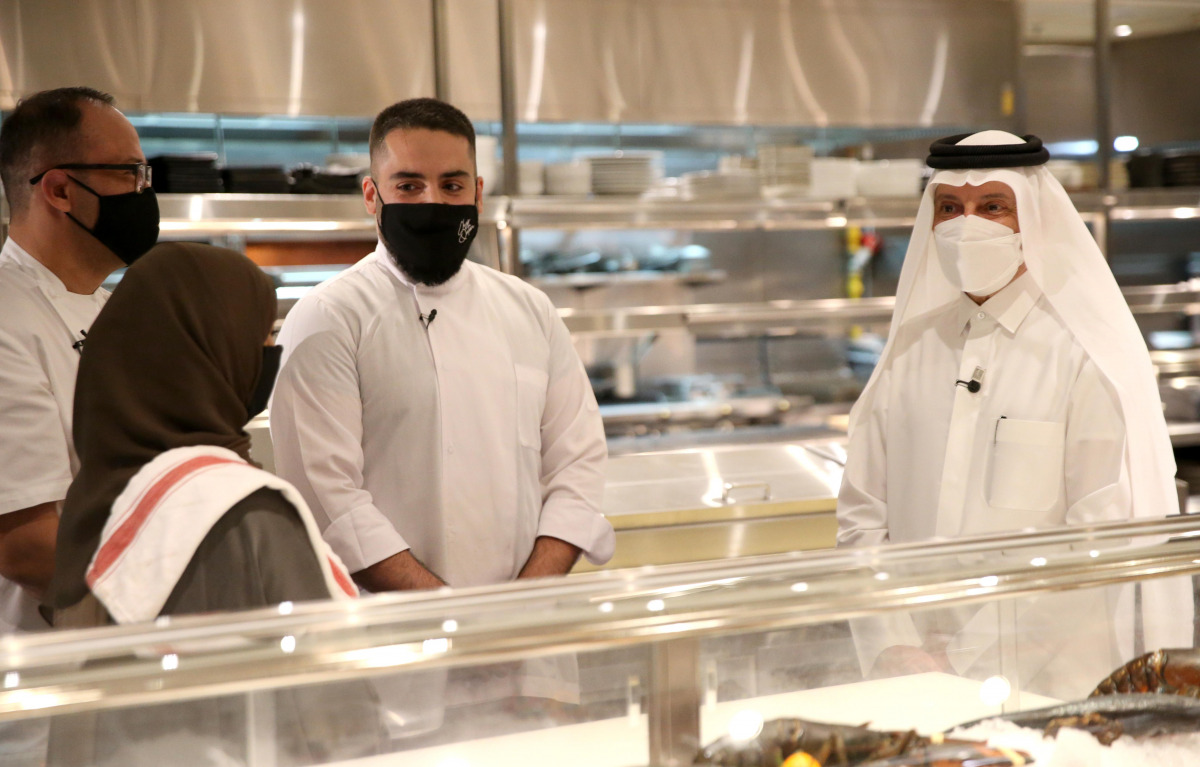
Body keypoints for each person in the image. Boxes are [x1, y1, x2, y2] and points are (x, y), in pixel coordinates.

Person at [836, 130, 1192, 698]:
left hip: (1051, 687)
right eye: (950, 208)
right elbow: (861, 517)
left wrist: (962, 656)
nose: (965, 224)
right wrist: (892, 646)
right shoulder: (909, 351)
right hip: (910, 682)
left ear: (1033, 218)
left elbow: (1099, 537)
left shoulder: (1084, 355)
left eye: (992, 207)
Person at [44, 242, 385, 766]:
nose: (268, 357)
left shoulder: (103, 496)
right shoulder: (242, 509)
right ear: (211, 353)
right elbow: (335, 717)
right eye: (261, 338)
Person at [270, 98, 614, 594]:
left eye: (452, 185)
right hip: (401, 640)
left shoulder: (529, 309)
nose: (433, 201)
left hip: (529, 628)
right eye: (408, 185)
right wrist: (453, 616)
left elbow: (576, 466)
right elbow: (330, 502)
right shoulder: (328, 317)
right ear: (371, 195)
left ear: (477, 193)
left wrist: (522, 605)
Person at [0, 86, 157, 767]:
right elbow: (28, 541)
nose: (145, 192)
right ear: (60, 190)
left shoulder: (107, 309)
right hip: (42, 696)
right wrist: (189, 587)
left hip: (120, 679)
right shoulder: (5, 318)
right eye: (129, 173)